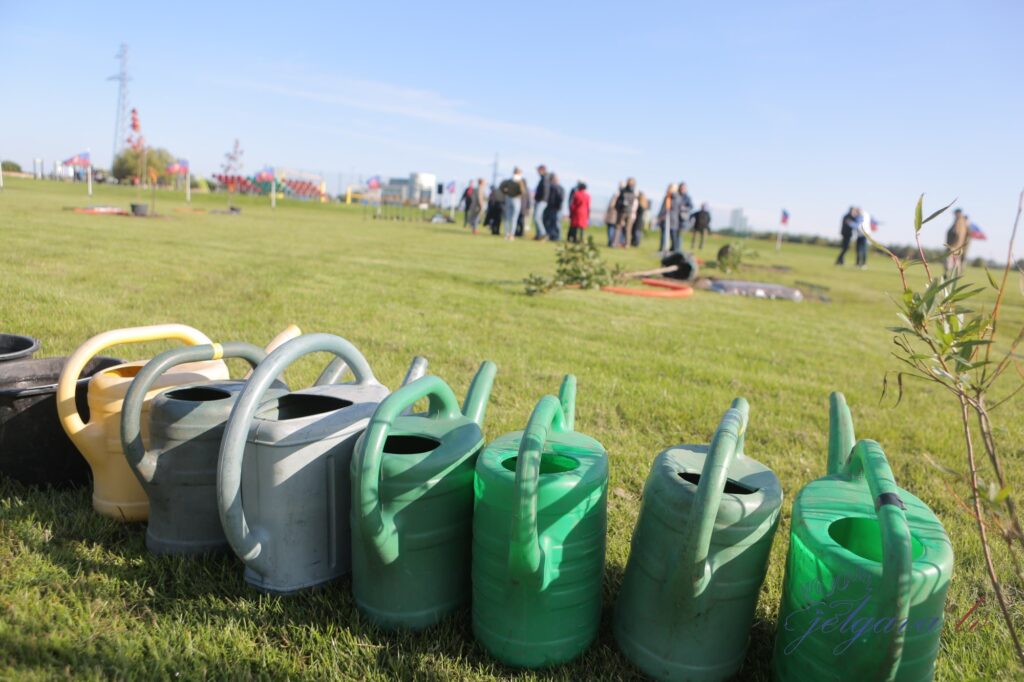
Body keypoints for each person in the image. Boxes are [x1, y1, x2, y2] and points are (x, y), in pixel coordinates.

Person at [500, 168, 527, 241]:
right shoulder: (514, 181)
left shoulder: (514, 181)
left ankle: (509, 234)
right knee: (511, 218)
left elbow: (501, 187)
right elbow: (523, 192)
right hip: (513, 199)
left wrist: (506, 192)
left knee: (511, 218)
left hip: (512, 199)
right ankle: (509, 234)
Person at [945, 208, 970, 276]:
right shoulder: (962, 221)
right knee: (955, 261)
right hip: (957, 246)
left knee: (950, 260)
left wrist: (952, 244)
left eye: (955, 213)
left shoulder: (959, 221)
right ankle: (953, 274)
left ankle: (949, 274)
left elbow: (956, 232)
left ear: (958, 213)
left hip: (953, 246)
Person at [613, 178, 638, 248]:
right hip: (629, 212)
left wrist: (617, 207)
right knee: (628, 229)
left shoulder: (624, 191)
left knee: (618, 227)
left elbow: (619, 201)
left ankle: (615, 243)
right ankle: (627, 244)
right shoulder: (634, 192)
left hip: (622, 211)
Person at [657, 183, 679, 252]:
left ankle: (674, 250)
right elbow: (663, 207)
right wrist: (660, 216)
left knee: (673, 235)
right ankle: (662, 249)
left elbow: (675, 207)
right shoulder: (667, 197)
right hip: (665, 218)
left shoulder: (676, 197)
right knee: (663, 234)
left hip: (672, 219)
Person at [543, 173, 564, 241]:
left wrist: (559, 207)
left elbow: (561, 199)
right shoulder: (550, 187)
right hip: (549, 207)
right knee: (549, 222)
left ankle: (557, 237)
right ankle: (551, 236)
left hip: (556, 208)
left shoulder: (560, 188)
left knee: (556, 223)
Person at [533, 164, 550, 240]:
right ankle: (538, 235)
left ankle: (543, 234)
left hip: (542, 201)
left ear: (542, 170)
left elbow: (545, 191)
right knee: (538, 218)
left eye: (538, 170)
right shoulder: (543, 178)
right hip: (540, 200)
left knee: (537, 218)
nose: (537, 172)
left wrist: (541, 199)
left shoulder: (545, 178)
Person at [675, 182, 694, 247]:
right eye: (681, 187)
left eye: (684, 188)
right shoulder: (676, 195)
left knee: (679, 234)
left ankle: (678, 249)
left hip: (683, 219)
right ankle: (674, 248)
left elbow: (691, 206)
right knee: (674, 234)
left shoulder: (687, 197)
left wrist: (684, 208)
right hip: (675, 217)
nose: (682, 189)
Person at [606, 181, 623, 247]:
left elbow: (611, 204)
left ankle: (611, 241)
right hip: (618, 214)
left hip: (613, 213)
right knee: (615, 228)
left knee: (611, 228)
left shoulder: (616, 194)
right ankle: (614, 242)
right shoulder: (621, 194)